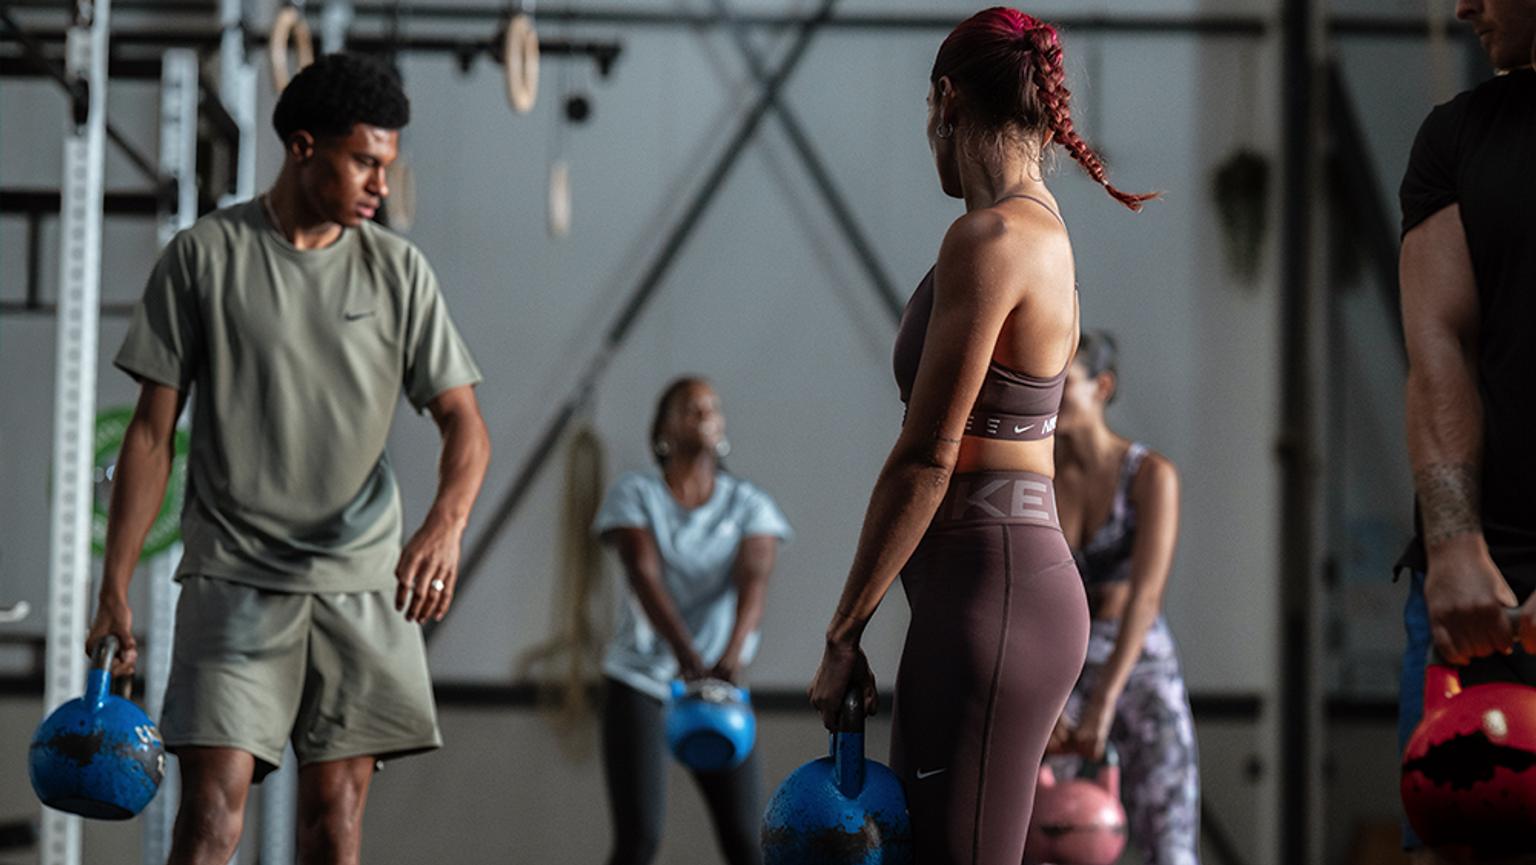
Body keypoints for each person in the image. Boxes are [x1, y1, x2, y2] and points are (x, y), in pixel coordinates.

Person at [85, 53, 491, 865]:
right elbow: (149, 435)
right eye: (365, 161)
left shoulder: (398, 270)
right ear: (304, 147)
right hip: (234, 580)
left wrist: (447, 524)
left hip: (362, 585)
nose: (382, 183)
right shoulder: (202, 257)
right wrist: (114, 584)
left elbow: (466, 424)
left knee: (334, 826)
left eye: (388, 165)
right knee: (207, 819)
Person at [807, 8, 1153, 864]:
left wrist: (844, 629)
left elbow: (928, 457)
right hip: (998, 587)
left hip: (992, 593)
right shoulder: (1039, 237)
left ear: (945, 99)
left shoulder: (991, 240)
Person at [1395, 1, 1536, 860]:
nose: (1461, 7)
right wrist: (1451, 545)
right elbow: (1437, 341)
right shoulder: (1457, 136)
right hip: (1477, 597)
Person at [593, 377, 791, 865]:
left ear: (722, 427)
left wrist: (727, 660)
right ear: (662, 430)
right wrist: (687, 660)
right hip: (640, 681)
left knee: (749, 842)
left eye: (711, 408)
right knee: (639, 840)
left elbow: (754, 581)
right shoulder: (636, 493)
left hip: (719, 684)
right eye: (688, 408)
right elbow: (643, 573)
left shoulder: (749, 504)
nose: (703, 414)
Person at [1045, 331, 1200, 865]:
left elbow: (1145, 597)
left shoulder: (1149, 476)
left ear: (1102, 387)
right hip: (1058, 667)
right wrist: (1046, 703)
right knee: (1049, 832)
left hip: (1134, 663)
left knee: (1170, 838)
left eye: (1062, 383)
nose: (1047, 395)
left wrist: (1106, 700)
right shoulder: (1035, 478)